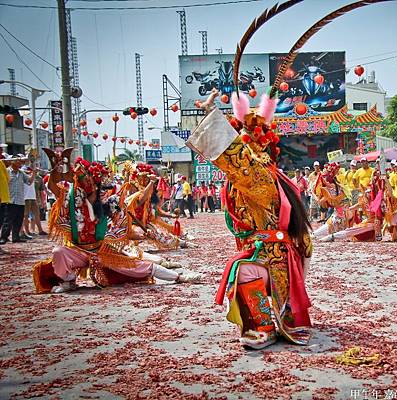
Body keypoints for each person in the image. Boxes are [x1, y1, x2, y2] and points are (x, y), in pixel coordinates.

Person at [187, 89, 313, 350]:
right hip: (261, 253)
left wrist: (209, 113)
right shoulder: (256, 177)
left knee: (241, 270)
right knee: (242, 267)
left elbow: (235, 160)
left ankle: (263, 325)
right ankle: (261, 322)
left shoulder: (261, 178)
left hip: (276, 260)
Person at [32, 154, 202, 294]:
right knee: (59, 252)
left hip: (103, 249)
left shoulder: (109, 202)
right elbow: (55, 194)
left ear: (96, 185)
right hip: (78, 250)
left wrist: (131, 233)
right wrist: (56, 172)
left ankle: (177, 276)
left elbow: (121, 228)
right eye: (83, 183)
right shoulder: (73, 201)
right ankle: (69, 282)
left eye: (89, 182)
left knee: (138, 266)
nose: (85, 186)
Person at [0, 156, 34, 244]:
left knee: (18, 220)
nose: (19, 163)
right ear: (12, 162)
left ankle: (16, 237)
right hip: (10, 200)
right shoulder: (7, 171)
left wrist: (34, 173)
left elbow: (29, 182)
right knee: (8, 220)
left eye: (20, 161)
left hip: (20, 200)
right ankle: (4, 237)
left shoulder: (22, 173)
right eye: (17, 161)